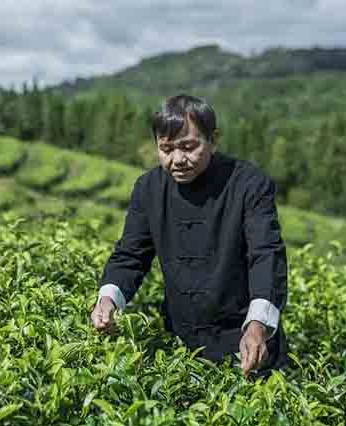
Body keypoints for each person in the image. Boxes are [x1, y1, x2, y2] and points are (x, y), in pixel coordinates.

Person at [90, 94, 288, 377]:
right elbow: (131, 255)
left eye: (188, 147)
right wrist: (108, 299)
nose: (178, 159)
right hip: (181, 347)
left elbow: (266, 254)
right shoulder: (149, 188)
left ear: (214, 139)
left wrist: (257, 326)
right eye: (166, 149)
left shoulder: (248, 183)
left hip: (247, 342)